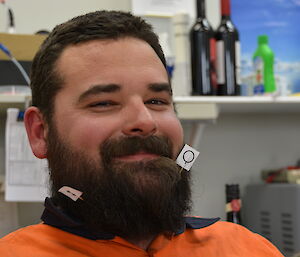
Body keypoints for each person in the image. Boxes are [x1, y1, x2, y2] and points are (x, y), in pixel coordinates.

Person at [0, 10, 283, 257]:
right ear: (40, 133)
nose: (145, 121)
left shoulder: (248, 249)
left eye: (157, 101)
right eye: (103, 103)